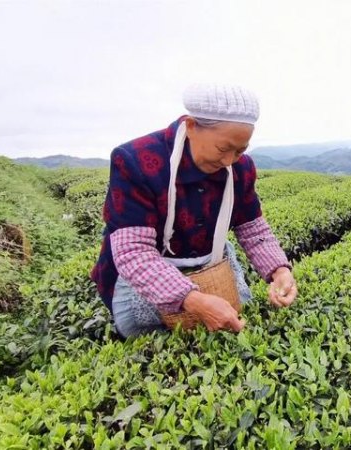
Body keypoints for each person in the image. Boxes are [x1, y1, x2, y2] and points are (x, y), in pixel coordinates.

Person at [90, 83, 298, 338]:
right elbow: (134, 253)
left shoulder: (241, 168)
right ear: (190, 127)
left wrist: (280, 271)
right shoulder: (136, 161)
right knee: (157, 346)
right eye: (223, 149)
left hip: (211, 264)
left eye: (240, 150)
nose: (229, 161)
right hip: (149, 275)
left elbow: (252, 228)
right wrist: (193, 300)